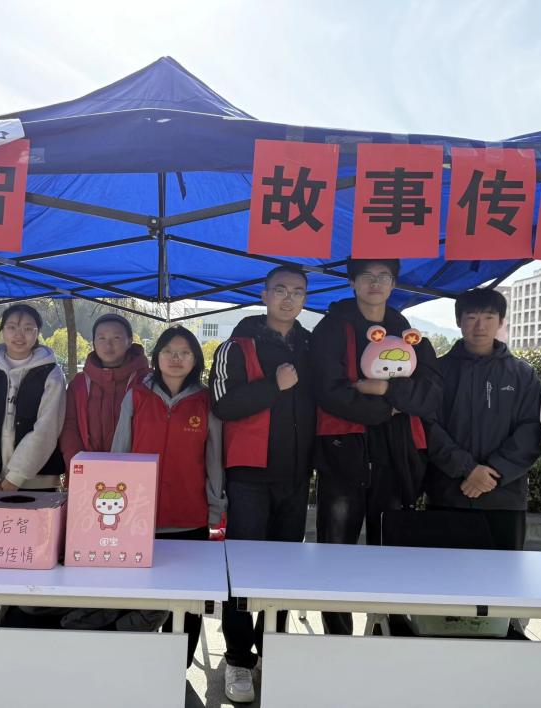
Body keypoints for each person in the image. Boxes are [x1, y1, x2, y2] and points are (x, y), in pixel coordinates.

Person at [309, 257, 441, 636]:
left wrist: (384, 389)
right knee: (336, 548)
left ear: (393, 283)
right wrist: (390, 408)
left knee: (392, 545)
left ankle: (389, 629)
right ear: (352, 282)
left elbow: (431, 390)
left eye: (384, 276)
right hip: (342, 451)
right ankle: (338, 635)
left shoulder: (407, 331)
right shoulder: (331, 328)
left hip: (395, 453)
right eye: (367, 276)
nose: (375, 283)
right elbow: (327, 390)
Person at [209, 265, 315, 703]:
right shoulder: (236, 346)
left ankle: (273, 649)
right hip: (249, 475)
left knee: (284, 571)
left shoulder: (311, 345)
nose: (288, 299)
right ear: (264, 294)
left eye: (297, 292)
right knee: (243, 569)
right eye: (280, 290)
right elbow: (222, 403)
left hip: (296, 475)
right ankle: (238, 656)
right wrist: (274, 385)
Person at [112, 325, 225, 670]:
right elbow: (119, 453)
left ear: (195, 359)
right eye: (169, 352)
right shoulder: (136, 396)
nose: (176, 359)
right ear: (157, 356)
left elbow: (214, 459)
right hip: (138, 520)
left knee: (189, 602)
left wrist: (215, 508)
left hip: (189, 517)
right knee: (138, 598)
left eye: (185, 352)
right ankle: (138, 668)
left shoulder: (206, 401)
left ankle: (178, 670)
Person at [0, 303, 67, 628]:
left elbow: (47, 429)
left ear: (38, 333)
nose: (19, 334)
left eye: (27, 328)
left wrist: (15, 479)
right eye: (12, 327)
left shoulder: (51, 373)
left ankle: (25, 633)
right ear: (2, 330)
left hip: (37, 486)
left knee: (32, 562)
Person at [425, 288, 541, 553]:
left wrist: (493, 473)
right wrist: (467, 468)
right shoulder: (438, 371)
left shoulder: (522, 374)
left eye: (489, 317)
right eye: (471, 317)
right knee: (441, 573)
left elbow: (532, 429)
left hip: (504, 497)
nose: (480, 326)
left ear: (501, 322)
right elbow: (426, 425)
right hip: (448, 493)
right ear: (458, 321)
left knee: (502, 575)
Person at [60, 313, 150, 471]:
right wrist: (77, 465)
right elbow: (69, 427)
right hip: (86, 474)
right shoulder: (79, 384)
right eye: (101, 338)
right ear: (93, 342)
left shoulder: (147, 382)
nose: (108, 345)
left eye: (116, 338)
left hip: (134, 474)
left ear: (129, 341)